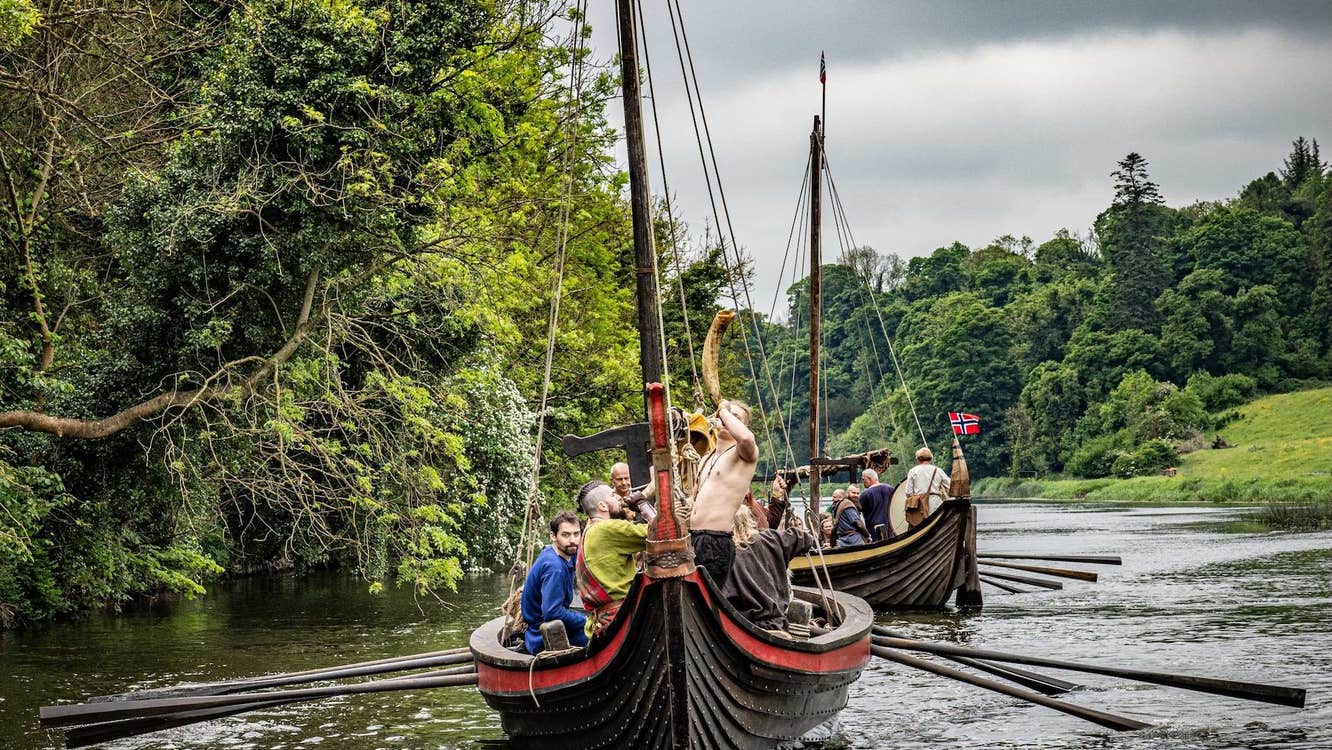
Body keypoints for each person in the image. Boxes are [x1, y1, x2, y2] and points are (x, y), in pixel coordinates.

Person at [688, 399, 759, 588]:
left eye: (736, 417)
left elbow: (746, 438)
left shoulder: (743, 454)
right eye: (726, 414)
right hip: (693, 537)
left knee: (707, 601)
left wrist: (724, 410)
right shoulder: (705, 459)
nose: (727, 418)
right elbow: (694, 501)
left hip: (716, 540)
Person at [721, 506, 819, 632]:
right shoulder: (770, 538)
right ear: (748, 520)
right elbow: (805, 538)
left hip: (741, 624)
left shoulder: (723, 553)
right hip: (777, 622)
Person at [574, 481, 648, 640]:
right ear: (603, 506)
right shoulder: (608, 528)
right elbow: (663, 532)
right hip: (621, 618)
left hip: (603, 621)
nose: (619, 498)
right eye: (613, 495)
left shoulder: (589, 530)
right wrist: (643, 503)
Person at [520, 511, 588, 654]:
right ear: (553, 536)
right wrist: (586, 621)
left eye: (576, 534)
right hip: (542, 635)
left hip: (550, 626)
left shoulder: (563, 551)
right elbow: (552, 612)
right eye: (566, 535)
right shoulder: (554, 567)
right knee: (597, 634)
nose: (572, 540)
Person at [903, 447, 951, 527]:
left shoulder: (913, 471)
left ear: (918, 459)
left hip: (919, 506)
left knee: (921, 527)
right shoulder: (938, 470)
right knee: (937, 525)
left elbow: (908, 492)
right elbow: (949, 486)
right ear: (930, 458)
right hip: (936, 503)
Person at [858, 468, 895, 541]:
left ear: (869, 479)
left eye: (863, 479)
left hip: (874, 532)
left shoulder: (865, 494)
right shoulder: (891, 489)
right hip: (891, 528)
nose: (862, 481)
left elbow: (858, 511)